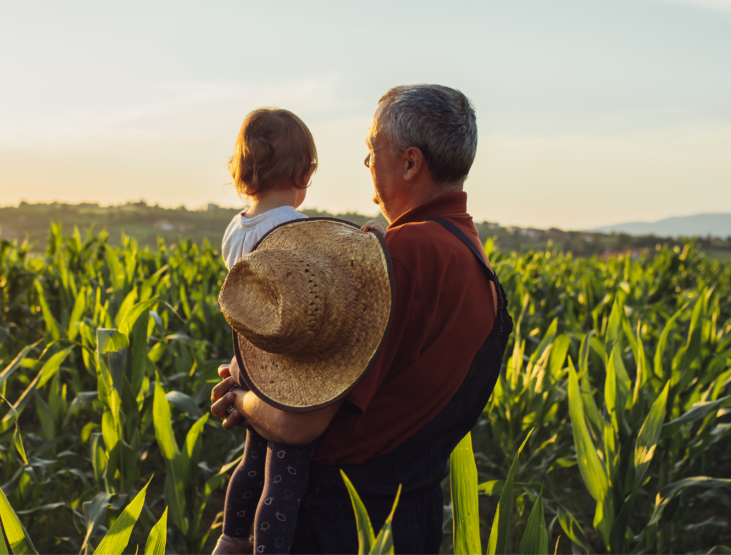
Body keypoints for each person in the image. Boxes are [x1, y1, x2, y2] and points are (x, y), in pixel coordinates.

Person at [211, 84, 513, 554]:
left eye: (373, 150)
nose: (368, 164)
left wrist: (242, 399)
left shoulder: (398, 258)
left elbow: (297, 427)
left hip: (342, 520)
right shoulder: (473, 258)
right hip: (410, 516)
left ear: (410, 163)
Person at [215, 107, 386, 555]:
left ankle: (231, 539)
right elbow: (327, 285)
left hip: (250, 357)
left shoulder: (236, 229)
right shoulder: (291, 230)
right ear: (305, 172)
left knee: (251, 459)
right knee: (284, 476)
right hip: (287, 371)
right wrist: (367, 245)